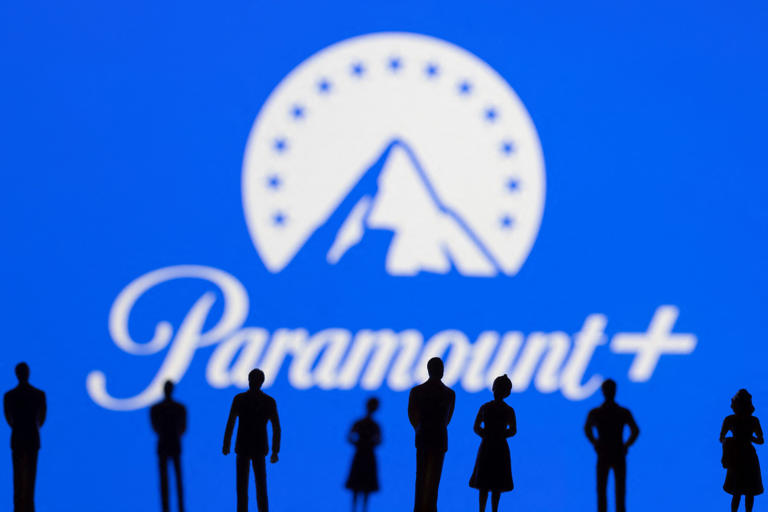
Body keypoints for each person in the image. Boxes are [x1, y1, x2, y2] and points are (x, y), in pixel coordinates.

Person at [223, 369, 281, 512]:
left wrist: (226, 444)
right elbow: (276, 428)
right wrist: (275, 451)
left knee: (244, 487)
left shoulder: (240, 399)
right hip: (257, 447)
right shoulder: (268, 401)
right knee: (259, 486)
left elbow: (231, 423)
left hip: (245, 447)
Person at [583, 379, 639, 512]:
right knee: (610, 489)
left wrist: (595, 442)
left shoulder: (600, 412)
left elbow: (635, 431)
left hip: (610, 453)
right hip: (612, 453)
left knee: (611, 489)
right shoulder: (616, 412)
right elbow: (635, 431)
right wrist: (626, 445)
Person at [408, 357, 456, 512]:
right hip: (438, 437)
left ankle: (420, 508)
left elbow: (412, 415)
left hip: (424, 436)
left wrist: (420, 428)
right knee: (433, 477)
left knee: (422, 476)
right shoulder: (449, 394)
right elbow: (447, 418)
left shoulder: (417, 391)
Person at [469, 375, 516, 512]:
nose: (498, 392)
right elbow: (476, 427)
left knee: (495, 484)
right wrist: (495, 435)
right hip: (492, 447)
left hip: (493, 447)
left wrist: (491, 434)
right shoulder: (494, 408)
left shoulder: (491, 408)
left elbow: (513, 430)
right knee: (487, 484)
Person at [3, 362, 46, 512]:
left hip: (18, 438)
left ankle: (20, 505)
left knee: (19, 475)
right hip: (31, 437)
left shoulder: (9, 395)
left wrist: (19, 427)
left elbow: (9, 418)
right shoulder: (38, 394)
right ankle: (27, 505)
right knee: (30, 475)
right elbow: (41, 419)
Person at [720, 389, 763, 512]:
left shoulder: (753, 420)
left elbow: (761, 440)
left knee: (747, 491)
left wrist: (749, 438)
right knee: (737, 491)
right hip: (737, 456)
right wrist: (728, 444)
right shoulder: (730, 419)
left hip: (747, 456)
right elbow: (722, 438)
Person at [150, 380, 187, 512]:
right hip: (168, 445)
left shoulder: (176, 408)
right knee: (167, 479)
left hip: (170, 445)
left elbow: (183, 427)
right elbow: (155, 426)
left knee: (174, 478)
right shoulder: (176, 408)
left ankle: (178, 508)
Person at [345, 397, 382, 512]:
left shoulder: (371, 424)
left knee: (365, 487)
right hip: (363, 455)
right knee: (359, 486)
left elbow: (379, 440)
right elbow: (349, 437)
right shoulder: (370, 424)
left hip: (365, 455)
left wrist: (361, 444)